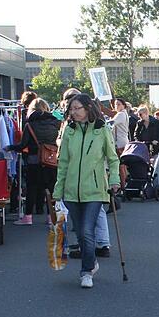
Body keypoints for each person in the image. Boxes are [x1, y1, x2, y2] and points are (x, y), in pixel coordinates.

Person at [52, 94, 118, 289]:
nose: (73, 112)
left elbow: (113, 158)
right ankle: (91, 263)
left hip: (95, 190)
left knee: (87, 231)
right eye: (71, 109)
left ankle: (86, 271)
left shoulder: (101, 130)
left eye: (77, 108)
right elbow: (62, 163)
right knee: (80, 233)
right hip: (72, 190)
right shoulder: (69, 131)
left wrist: (114, 179)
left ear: (88, 108)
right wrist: (59, 189)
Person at [11, 98, 61, 225]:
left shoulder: (30, 125)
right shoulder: (56, 123)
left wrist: (11, 147)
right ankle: (51, 217)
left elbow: (23, 145)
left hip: (34, 160)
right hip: (52, 160)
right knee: (51, 189)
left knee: (32, 188)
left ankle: (28, 217)